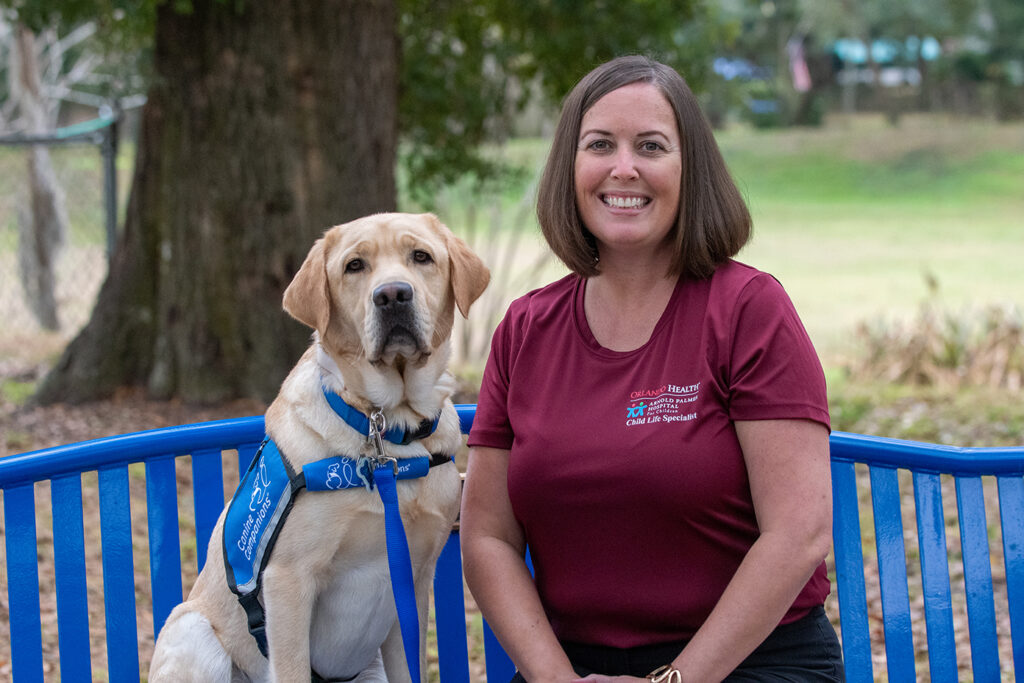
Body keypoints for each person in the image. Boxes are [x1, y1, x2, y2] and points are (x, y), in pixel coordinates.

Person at [460, 55, 843, 683]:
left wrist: (675, 682)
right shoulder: (526, 329)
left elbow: (798, 532)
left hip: (750, 662)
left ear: (690, 171)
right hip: (572, 668)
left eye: (651, 146)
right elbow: (488, 540)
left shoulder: (749, 310)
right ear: (570, 168)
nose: (623, 168)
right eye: (600, 145)